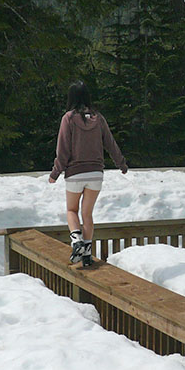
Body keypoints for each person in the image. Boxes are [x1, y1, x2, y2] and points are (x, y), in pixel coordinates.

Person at [48, 81, 128, 267]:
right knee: (88, 214)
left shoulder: (68, 118)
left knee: (71, 210)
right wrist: (121, 164)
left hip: (75, 173)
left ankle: (76, 242)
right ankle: (87, 256)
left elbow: (63, 150)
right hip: (95, 174)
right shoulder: (98, 118)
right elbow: (110, 143)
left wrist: (55, 172)